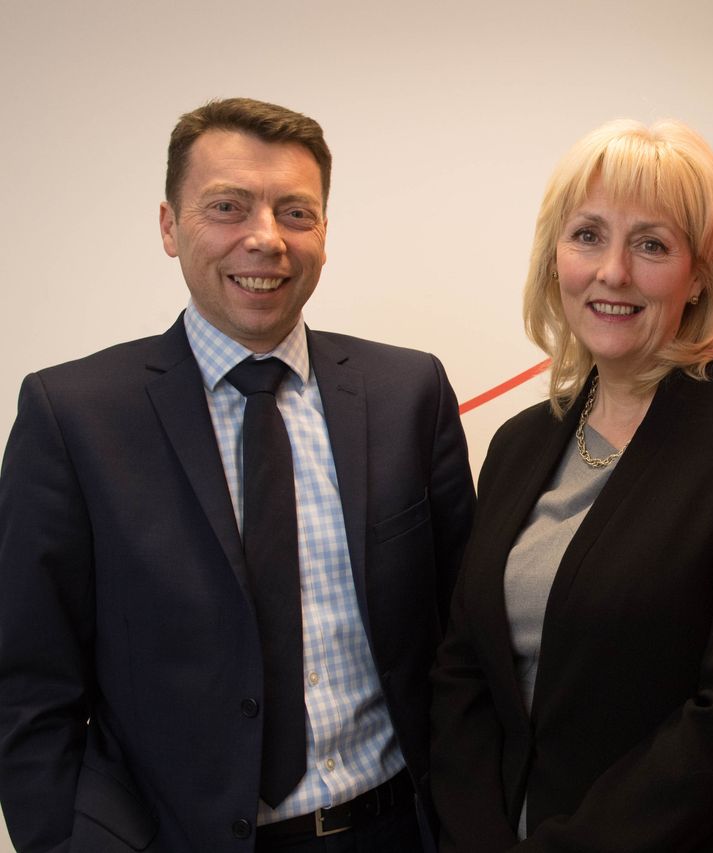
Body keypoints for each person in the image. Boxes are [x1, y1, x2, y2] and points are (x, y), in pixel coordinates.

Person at [0, 98, 475, 852]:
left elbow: (464, 637)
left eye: (296, 212)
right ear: (168, 225)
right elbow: (28, 684)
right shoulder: (73, 417)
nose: (265, 239)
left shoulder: (407, 392)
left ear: (323, 232)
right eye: (227, 207)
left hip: (396, 829)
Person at [428, 118, 713, 852]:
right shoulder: (518, 442)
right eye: (588, 235)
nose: (613, 272)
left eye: (651, 244)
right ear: (554, 256)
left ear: (699, 276)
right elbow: (466, 665)